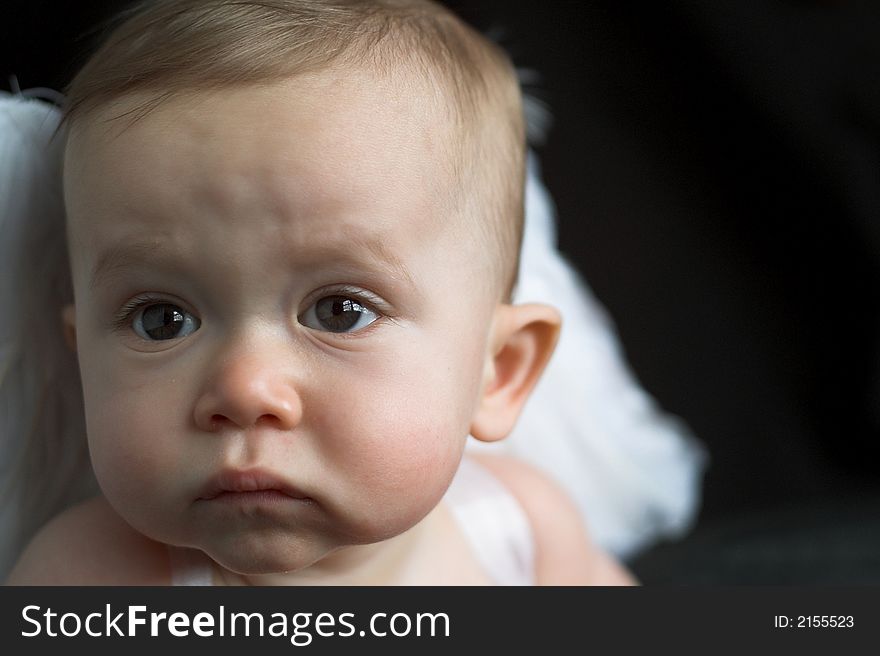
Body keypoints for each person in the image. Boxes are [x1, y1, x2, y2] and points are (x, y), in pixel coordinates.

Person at [4, 0, 643, 585]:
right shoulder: (94, 576)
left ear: (497, 371)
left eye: (340, 312)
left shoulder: (521, 533)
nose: (245, 389)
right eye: (161, 320)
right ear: (82, 362)